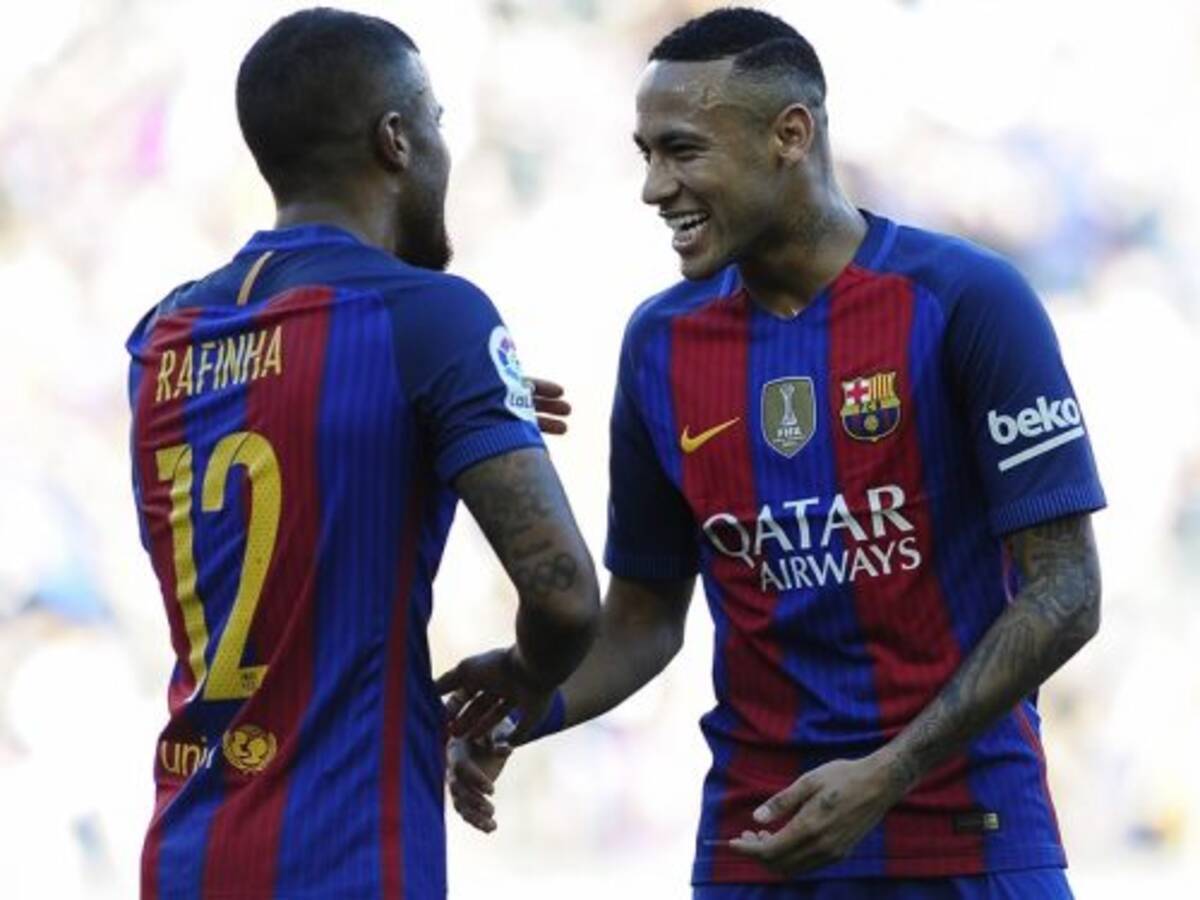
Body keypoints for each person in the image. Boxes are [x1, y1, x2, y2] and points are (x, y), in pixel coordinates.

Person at [444, 7, 1104, 898]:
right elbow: (643, 618)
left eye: (682, 151)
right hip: (761, 843)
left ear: (790, 135)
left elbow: (1067, 591)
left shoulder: (967, 300)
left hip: (965, 834)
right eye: (646, 154)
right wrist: (529, 701)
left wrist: (890, 772)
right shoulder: (659, 344)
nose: (654, 187)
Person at [125, 8, 599, 899]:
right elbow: (564, 594)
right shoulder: (429, 316)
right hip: (348, 853)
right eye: (437, 122)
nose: (446, 149)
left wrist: (447, 408)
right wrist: (522, 679)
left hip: (186, 852)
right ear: (396, 140)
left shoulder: (161, 338)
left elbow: (286, 433)